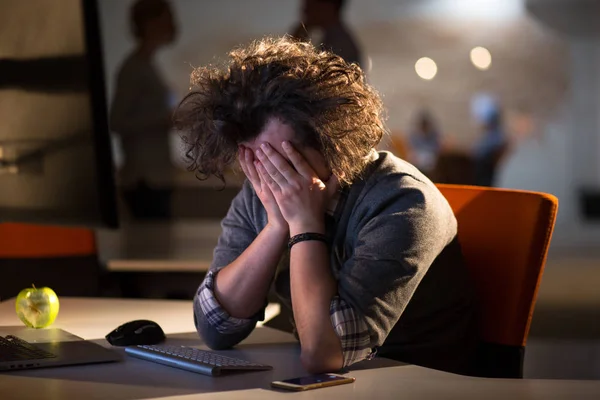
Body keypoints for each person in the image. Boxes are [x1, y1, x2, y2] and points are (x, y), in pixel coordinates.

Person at [174, 37, 478, 375]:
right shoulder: (262, 193)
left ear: (333, 144)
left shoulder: (404, 203)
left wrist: (304, 225)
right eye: (255, 160)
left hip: (420, 383)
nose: (270, 177)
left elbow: (323, 354)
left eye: (283, 160)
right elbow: (214, 328)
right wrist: (277, 227)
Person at [109, 0, 178, 219]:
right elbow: (117, 121)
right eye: (165, 19)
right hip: (143, 179)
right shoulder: (133, 68)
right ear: (149, 24)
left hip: (154, 176)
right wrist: (163, 119)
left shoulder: (147, 65)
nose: (171, 25)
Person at [290, 0, 362, 67]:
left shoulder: (339, 45)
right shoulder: (336, 38)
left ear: (328, 7)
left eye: (310, 4)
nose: (304, 10)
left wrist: (294, 43)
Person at [407, 111, 442, 177]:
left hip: (431, 159)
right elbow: (412, 148)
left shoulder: (434, 135)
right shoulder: (415, 135)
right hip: (419, 160)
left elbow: (436, 148)